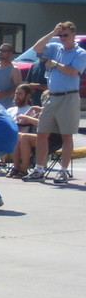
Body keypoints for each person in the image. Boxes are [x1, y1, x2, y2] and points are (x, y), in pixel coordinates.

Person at [23, 22, 86, 184]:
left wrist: (56, 64)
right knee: (42, 133)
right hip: (51, 96)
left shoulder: (80, 53)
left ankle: (63, 171)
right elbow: (37, 48)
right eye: (61, 36)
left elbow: (73, 72)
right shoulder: (54, 48)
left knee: (66, 135)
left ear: (73, 34)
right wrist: (52, 33)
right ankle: (39, 169)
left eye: (66, 35)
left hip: (68, 97)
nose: (63, 38)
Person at [5, 85, 43, 178]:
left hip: (23, 138)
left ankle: (18, 168)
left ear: (27, 96)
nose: (17, 96)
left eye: (20, 94)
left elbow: (28, 124)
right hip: (7, 135)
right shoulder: (10, 110)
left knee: (17, 136)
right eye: (16, 93)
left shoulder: (31, 111)